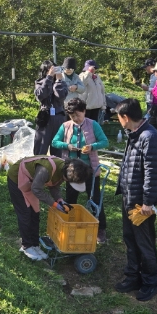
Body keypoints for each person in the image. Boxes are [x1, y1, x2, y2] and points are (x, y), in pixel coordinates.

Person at [113, 98, 157, 302]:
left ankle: (150, 282)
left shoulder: (149, 137)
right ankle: (133, 276)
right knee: (130, 238)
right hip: (130, 196)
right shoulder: (135, 133)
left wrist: (148, 202)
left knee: (144, 242)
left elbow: (152, 173)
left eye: (118, 117)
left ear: (125, 117)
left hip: (141, 202)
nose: (118, 121)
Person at [7, 156, 90, 261]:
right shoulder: (46, 169)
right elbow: (36, 189)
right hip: (17, 179)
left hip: (32, 183)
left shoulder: (65, 169)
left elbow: (54, 185)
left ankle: (34, 244)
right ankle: (26, 246)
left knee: (35, 213)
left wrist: (60, 200)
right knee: (25, 214)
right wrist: (54, 204)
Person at [51, 98, 109, 243]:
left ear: (84, 111)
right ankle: (69, 222)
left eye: (77, 115)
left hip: (89, 169)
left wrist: (92, 147)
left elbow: (105, 141)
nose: (75, 118)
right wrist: (67, 146)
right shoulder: (65, 126)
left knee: (95, 198)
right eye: (72, 116)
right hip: (71, 170)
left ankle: (100, 228)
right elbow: (54, 141)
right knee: (71, 198)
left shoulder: (93, 124)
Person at [33, 60, 68, 156]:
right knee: (41, 147)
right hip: (45, 117)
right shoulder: (40, 82)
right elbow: (41, 95)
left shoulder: (61, 83)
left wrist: (58, 81)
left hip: (59, 116)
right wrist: (48, 78)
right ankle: (38, 164)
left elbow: (61, 96)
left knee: (57, 149)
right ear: (45, 70)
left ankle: (56, 165)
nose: (53, 71)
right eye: (51, 69)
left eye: (55, 69)